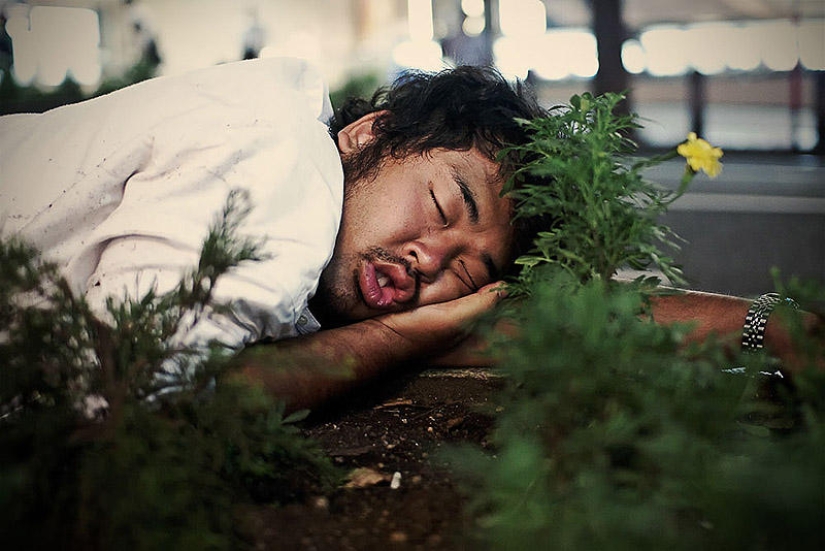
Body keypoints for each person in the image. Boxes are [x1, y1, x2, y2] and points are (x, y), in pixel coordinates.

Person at [0, 57, 819, 413]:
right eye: (443, 201)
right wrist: (411, 330)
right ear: (369, 137)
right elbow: (137, 403)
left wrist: (770, 322)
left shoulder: (335, 238)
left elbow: (539, 315)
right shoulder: (279, 159)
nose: (434, 259)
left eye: (467, 270)